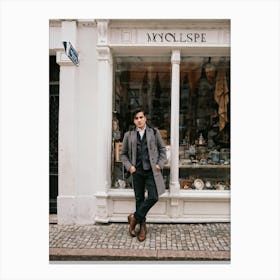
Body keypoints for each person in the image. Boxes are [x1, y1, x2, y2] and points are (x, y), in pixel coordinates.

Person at [120, 108, 167, 242]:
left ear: (145, 118)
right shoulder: (129, 135)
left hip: (151, 171)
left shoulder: (154, 132)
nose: (139, 120)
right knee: (139, 199)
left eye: (141, 117)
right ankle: (142, 227)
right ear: (134, 121)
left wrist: (159, 164)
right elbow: (123, 154)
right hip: (137, 171)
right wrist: (130, 167)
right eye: (136, 118)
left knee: (153, 196)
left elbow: (162, 149)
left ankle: (134, 217)